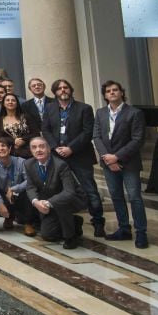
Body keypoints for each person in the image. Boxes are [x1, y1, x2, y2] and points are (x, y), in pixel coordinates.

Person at [41, 79, 105, 238]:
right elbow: (46, 130)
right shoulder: (49, 108)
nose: (63, 90)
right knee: (59, 190)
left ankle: (98, 222)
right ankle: (64, 223)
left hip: (80, 156)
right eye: (59, 88)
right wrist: (55, 147)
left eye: (66, 87)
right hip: (57, 155)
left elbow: (87, 132)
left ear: (71, 90)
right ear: (55, 92)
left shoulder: (84, 108)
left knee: (89, 189)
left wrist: (71, 148)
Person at [93, 80, 148, 248]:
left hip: (128, 163)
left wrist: (117, 157)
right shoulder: (101, 112)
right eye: (108, 91)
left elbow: (137, 140)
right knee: (116, 196)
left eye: (115, 90)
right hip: (108, 164)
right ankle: (124, 228)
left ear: (121, 92)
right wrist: (107, 158)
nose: (112, 93)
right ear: (104, 95)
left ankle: (141, 232)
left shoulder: (134, 113)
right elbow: (96, 137)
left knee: (135, 197)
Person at [26, 135, 86, 248]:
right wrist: (36, 202)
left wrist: (48, 203)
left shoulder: (60, 165)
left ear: (48, 149)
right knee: (48, 235)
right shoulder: (28, 164)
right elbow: (30, 187)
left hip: (71, 199)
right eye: (34, 147)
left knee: (62, 203)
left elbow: (69, 192)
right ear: (31, 151)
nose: (38, 150)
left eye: (41, 146)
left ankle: (71, 236)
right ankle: (75, 221)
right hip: (49, 200)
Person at [0, 136, 32, 234]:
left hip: (20, 193)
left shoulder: (21, 162)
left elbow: (29, 181)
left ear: (10, 148)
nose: (1, 148)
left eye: (3, 146)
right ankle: (9, 218)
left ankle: (28, 223)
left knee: (30, 192)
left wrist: (14, 188)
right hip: (3, 194)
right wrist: (0, 204)